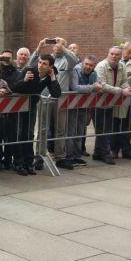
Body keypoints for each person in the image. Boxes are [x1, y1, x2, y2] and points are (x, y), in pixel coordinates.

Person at [29, 37, 79, 169]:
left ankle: (60, 157)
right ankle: (39, 156)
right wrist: (39, 46)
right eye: (55, 44)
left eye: (60, 44)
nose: (57, 46)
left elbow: (74, 60)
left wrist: (62, 46)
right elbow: (31, 63)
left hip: (60, 99)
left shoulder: (67, 60)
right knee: (42, 129)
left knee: (60, 129)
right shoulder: (47, 59)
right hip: (44, 98)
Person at [14, 54, 61, 173]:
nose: (40, 65)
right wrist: (24, 80)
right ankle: (18, 163)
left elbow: (56, 94)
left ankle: (28, 163)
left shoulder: (50, 75)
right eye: (40, 62)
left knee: (29, 134)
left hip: (31, 107)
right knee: (19, 134)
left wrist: (53, 77)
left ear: (50, 66)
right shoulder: (29, 70)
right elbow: (15, 87)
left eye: (44, 64)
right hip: (19, 107)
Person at [94, 47, 131, 164]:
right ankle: (105, 153)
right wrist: (122, 91)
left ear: (120, 56)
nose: (114, 56)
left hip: (110, 102)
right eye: (111, 53)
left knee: (106, 128)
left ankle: (98, 153)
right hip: (99, 102)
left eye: (117, 54)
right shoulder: (101, 66)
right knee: (102, 129)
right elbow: (103, 85)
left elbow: (124, 81)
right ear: (108, 54)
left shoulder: (121, 66)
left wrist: (127, 87)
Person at [70, 55, 102, 167]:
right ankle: (69, 156)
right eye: (86, 64)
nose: (88, 67)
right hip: (72, 107)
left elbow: (98, 86)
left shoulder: (94, 73)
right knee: (71, 132)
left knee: (80, 132)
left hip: (85, 107)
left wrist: (94, 87)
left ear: (94, 67)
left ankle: (77, 156)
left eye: (91, 65)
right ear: (83, 63)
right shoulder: (76, 70)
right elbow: (75, 88)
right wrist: (92, 87)